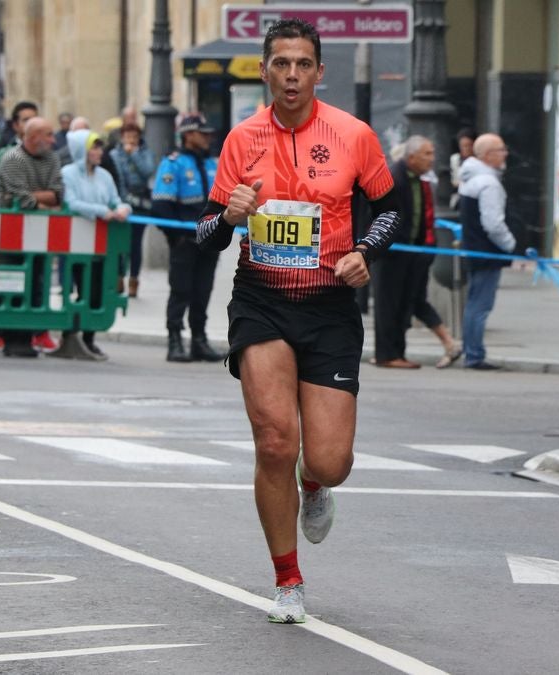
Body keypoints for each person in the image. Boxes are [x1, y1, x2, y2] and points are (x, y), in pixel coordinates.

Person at [195, 18, 400, 623]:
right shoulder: (241, 140)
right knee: (275, 440)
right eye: (280, 64)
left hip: (330, 304)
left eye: (302, 64)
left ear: (319, 71)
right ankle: (287, 581)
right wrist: (230, 217)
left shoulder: (353, 135)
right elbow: (205, 236)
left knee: (331, 460)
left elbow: (390, 210)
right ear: (264, 70)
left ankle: (315, 486)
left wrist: (365, 251)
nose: (291, 75)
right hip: (260, 299)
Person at [372, 135, 460, 369]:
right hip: (392, 253)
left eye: (432, 153)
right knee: (389, 303)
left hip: (412, 252)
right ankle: (388, 354)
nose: (432, 159)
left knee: (405, 303)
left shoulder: (418, 180)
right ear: (411, 157)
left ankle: (396, 353)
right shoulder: (394, 178)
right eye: (427, 154)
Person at [151, 113, 225, 363]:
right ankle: (174, 341)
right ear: (188, 135)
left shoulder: (212, 164)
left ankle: (199, 341)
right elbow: (161, 205)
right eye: (202, 133)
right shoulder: (173, 164)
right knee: (180, 290)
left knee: (202, 292)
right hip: (186, 243)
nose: (208, 138)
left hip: (210, 242)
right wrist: (178, 238)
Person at [0, 116, 64, 357]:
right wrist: (43, 201)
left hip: (39, 233)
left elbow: (58, 194)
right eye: (48, 135)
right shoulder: (13, 159)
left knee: (37, 282)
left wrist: (39, 199)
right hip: (9, 232)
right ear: (32, 138)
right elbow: (20, 199)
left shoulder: (52, 158)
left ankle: (30, 333)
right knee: (11, 280)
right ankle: (11, 336)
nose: (53, 141)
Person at [57, 129, 131, 360]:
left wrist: (123, 209)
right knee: (82, 290)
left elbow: (115, 199)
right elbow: (72, 202)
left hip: (102, 246)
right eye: (94, 147)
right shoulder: (68, 173)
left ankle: (88, 338)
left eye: (100, 147)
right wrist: (102, 212)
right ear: (82, 150)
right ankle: (70, 335)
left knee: (98, 291)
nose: (99, 152)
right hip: (78, 243)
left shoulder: (104, 176)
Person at [458, 133, 516, 371]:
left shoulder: (472, 179)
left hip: (474, 249)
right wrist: (511, 244)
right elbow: (493, 224)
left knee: (474, 302)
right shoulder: (489, 183)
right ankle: (474, 353)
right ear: (488, 155)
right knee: (480, 304)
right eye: (501, 150)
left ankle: (471, 350)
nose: (505, 154)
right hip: (487, 252)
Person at [110, 123, 157, 298]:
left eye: (134, 137)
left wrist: (134, 155)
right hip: (122, 203)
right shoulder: (115, 155)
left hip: (141, 205)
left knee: (136, 244)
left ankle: (134, 279)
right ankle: (119, 276)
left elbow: (147, 172)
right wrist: (122, 202)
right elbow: (117, 178)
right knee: (122, 242)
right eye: (127, 136)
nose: (130, 140)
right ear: (122, 137)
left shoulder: (145, 153)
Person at [0, 101, 38, 167]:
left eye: (34, 120)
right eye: (26, 120)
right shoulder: (6, 148)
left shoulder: (45, 148)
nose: (31, 124)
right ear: (15, 125)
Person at [449, 128, 475, 209]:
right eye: (463, 146)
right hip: (459, 197)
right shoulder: (455, 159)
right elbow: (455, 181)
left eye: (469, 145)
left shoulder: (478, 160)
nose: (466, 148)